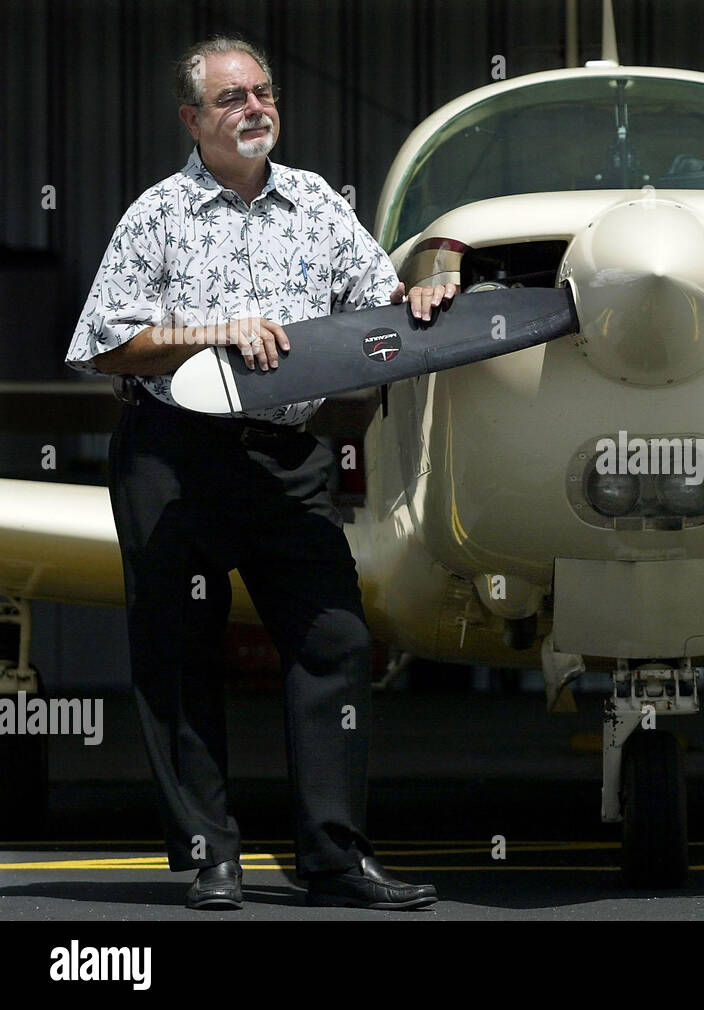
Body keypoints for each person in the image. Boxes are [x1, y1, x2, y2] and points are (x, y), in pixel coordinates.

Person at [65, 36, 454, 911]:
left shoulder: (317, 203)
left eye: (263, 92)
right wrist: (214, 331)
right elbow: (104, 344)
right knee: (178, 657)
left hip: (289, 459)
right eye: (231, 97)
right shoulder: (158, 213)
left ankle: (333, 859)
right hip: (175, 456)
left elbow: (374, 303)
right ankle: (211, 856)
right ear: (192, 120)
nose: (254, 107)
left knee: (336, 641)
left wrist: (418, 299)